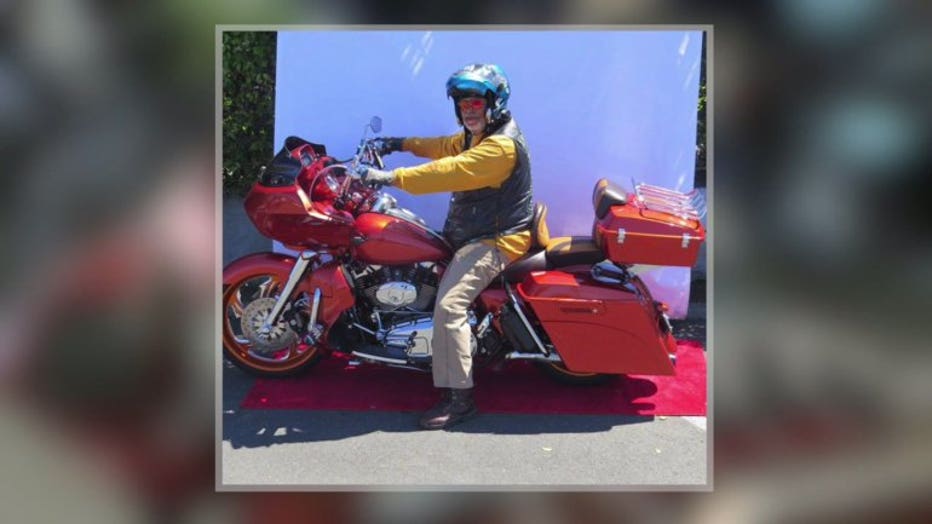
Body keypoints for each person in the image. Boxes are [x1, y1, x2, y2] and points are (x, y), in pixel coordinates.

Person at [356, 63, 534, 430]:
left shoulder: (500, 147)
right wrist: (398, 144)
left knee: (450, 306)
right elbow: (443, 147)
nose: (469, 109)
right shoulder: (478, 135)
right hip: (474, 232)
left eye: (476, 102)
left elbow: (450, 170)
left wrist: (388, 177)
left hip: (496, 239)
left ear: (495, 103)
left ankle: (460, 400)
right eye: (463, 102)